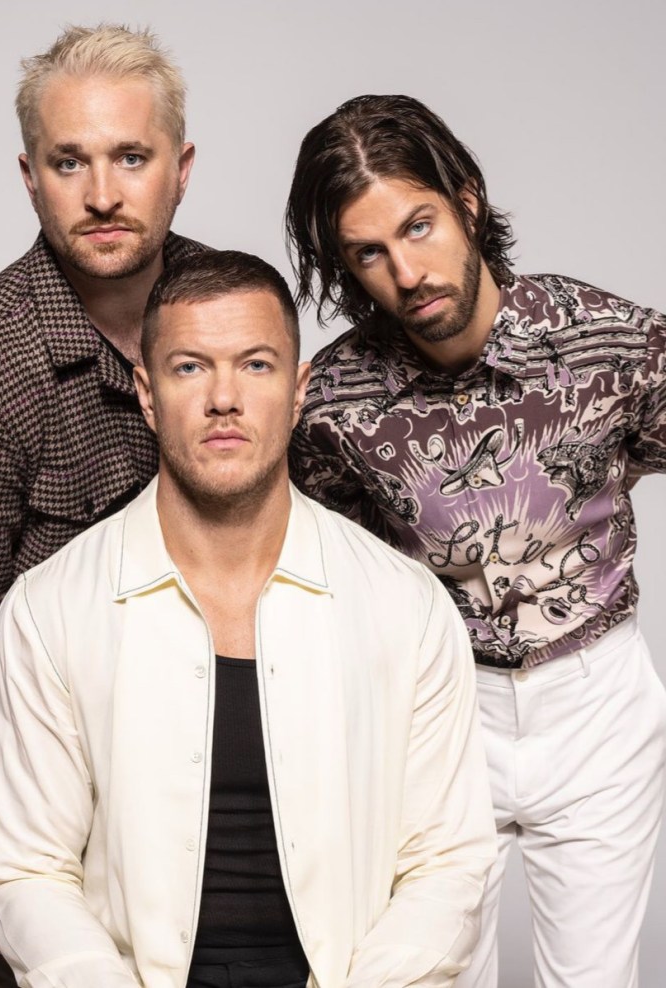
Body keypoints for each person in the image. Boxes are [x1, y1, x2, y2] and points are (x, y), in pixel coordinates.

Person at [0, 250, 495, 988]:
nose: (224, 398)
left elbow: (447, 864)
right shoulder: (49, 609)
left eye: (255, 365)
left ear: (298, 390)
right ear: (147, 393)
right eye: (190, 368)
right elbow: (28, 873)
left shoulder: (404, 605)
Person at [286, 94, 666, 988]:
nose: (406, 271)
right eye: (368, 252)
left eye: (418, 226)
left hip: (598, 705)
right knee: (432, 974)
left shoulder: (607, 342)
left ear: (467, 200)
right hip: (439, 716)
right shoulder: (332, 405)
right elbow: (325, 572)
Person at [0, 24, 203, 986]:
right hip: (35, 804)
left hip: (203, 783)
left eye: (131, 157)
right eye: (70, 162)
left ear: (181, 168)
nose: (103, 193)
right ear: (30, 178)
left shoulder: (229, 307)